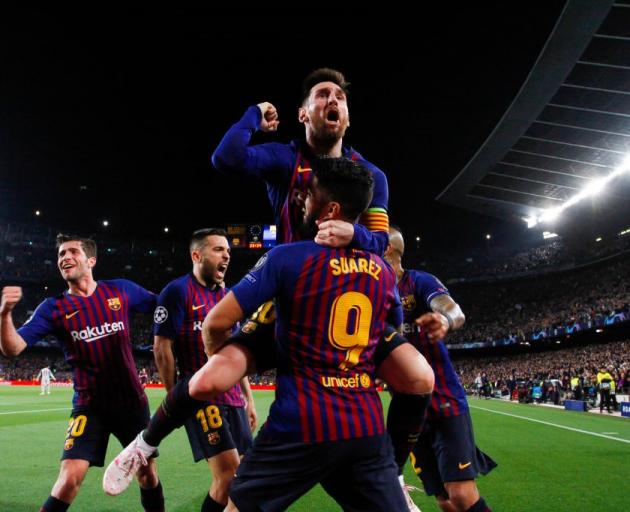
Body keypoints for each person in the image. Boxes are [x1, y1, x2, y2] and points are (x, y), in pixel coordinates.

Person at [104, 158, 443, 511]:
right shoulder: (383, 272)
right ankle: (395, 473)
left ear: (330, 209)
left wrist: (227, 354)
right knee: (420, 378)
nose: (302, 200)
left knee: (209, 380)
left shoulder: (287, 257)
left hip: (299, 424)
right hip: (364, 428)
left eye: (309, 195)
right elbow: (389, 327)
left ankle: (143, 444)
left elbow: (216, 323)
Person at [212, 68, 434, 508]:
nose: (332, 99)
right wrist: (252, 115)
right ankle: (151, 439)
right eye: (321, 94)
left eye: (339, 96)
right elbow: (225, 158)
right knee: (210, 370)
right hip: (291, 296)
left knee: (419, 377)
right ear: (303, 113)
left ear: (347, 116)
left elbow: (384, 248)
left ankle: (391, 472)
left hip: (351, 298)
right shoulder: (282, 158)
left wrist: (357, 238)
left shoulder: (371, 175)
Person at [0, 234, 164, 512]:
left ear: (91, 260)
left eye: (72, 252)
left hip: (132, 404)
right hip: (89, 407)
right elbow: (13, 348)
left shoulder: (121, 290)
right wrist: (5, 314)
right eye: (61, 254)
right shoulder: (53, 308)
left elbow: (164, 308)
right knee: (69, 479)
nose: (65, 257)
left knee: (146, 474)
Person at [384, 226, 496, 512]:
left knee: (460, 494)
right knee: (444, 499)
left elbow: (453, 309)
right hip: (410, 413)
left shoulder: (418, 281)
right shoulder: (373, 294)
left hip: (444, 402)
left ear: (388, 250)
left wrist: (445, 320)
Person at [152, 228, 256, 511]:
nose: (226, 255)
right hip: (201, 398)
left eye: (228, 252)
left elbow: (236, 350)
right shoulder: (176, 291)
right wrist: (175, 397)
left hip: (234, 397)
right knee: (228, 475)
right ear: (196, 255)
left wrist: (249, 399)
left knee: (240, 479)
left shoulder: (228, 296)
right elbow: (162, 347)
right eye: (219, 250)